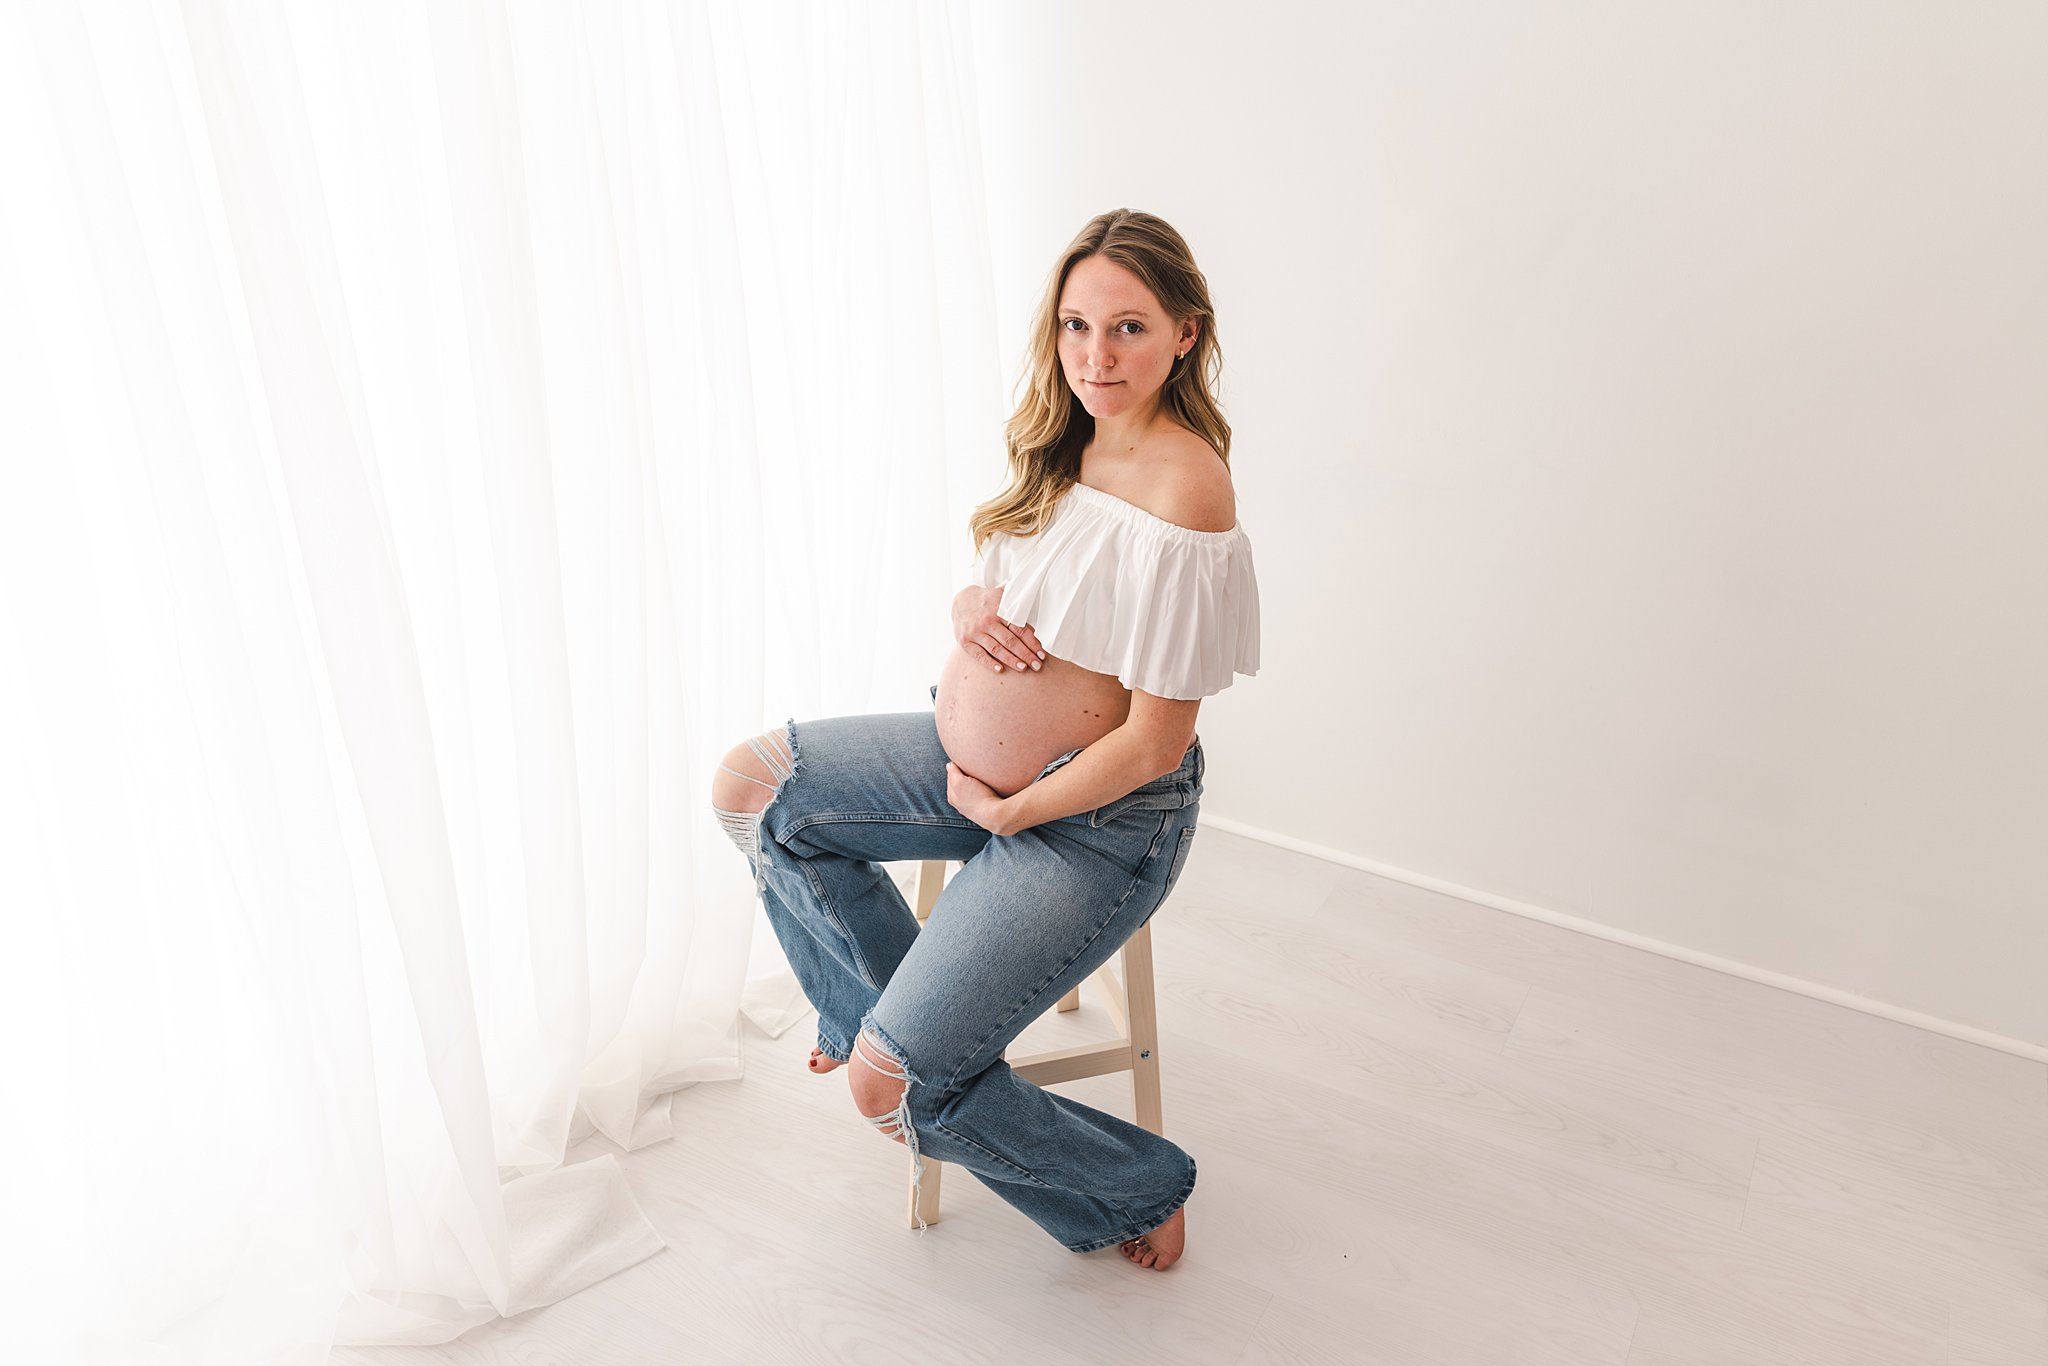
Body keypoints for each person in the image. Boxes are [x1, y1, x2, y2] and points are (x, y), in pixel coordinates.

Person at [710, 208, 1260, 1272]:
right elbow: (1020, 586)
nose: (1095, 357)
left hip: (1094, 823)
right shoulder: (1067, 435)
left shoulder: (1186, 488)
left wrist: (1017, 810)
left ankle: (1131, 1186)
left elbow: (1151, 741)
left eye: (1129, 329)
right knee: (753, 787)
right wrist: (970, 606)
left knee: (892, 1089)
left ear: (1185, 335)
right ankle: (883, 1015)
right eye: (1075, 326)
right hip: (973, 773)